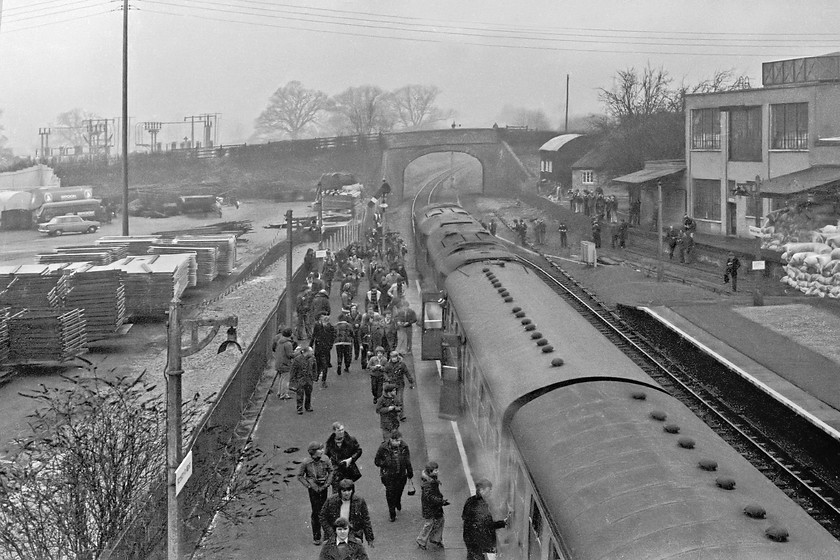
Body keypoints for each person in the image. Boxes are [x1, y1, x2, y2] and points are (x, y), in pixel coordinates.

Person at [298, 441, 335, 546]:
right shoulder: (306, 462)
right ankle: (316, 535)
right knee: (315, 511)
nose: (322, 451)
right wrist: (309, 485)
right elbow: (300, 476)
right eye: (320, 449)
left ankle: (327, 534)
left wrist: (328, 483)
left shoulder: (325, 459)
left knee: (325, 509)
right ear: (313, 452)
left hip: (323, 487)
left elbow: (331, 470)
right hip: (313, 489)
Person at [462, 478, 508, 560]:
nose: (490, 492)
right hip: (476, 540)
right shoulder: (481, 505)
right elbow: (486, 525)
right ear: (481, 490)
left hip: (468, 537)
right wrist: (502, 523)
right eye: (489, 490)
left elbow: (464, 516)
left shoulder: (470, 500)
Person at [374, 430, 414, 522]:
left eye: (400, 441)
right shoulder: (383, 447)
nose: (399, 443)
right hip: (388, 476)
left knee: (399, 491)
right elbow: (377, 461)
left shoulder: (404, 446)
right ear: (391, 440)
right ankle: (392, 512)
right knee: (390, 493)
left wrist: (410, 471)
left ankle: (397, 501)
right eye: (397, 441)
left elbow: (407, 460)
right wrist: (385, 463)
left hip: (401, 474)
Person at [320, 480, 375, 547]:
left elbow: (366, 520)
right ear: (340, 491)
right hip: (335, 534)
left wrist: (369, 538)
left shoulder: (359, 501)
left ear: (352, 491)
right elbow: (322, 516)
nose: (347, 493)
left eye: (349, 490)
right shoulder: (331, 501)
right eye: (344, 491)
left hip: (353, 535)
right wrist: (330, 531)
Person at [416, 461, 449, 550]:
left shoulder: (431, 479)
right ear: (430, 471)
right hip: (430, 507)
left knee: (440, 520)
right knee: (429, 523)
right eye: (435, 470)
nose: (437, 472)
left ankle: (435, 539)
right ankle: (421, 540)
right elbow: (430, 497)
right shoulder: (428, 483)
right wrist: (441, 501)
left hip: (434, 506)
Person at [325, 422, 363, 494]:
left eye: (342, 429)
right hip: (336, 471)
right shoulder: (330, 442)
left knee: (349, 492)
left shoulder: (351, 440)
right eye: (339, 430)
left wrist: (351, 459)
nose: (341, 432)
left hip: (348, 469)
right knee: (336, 493)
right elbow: (326, 456)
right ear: (334, 431)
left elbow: (358, 451)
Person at [383, 351, 414, 422]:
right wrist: (387, 378)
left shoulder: (402, 365)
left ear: (397, 357)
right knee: (392, 400)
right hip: (391, 386)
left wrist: (411, 381)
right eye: (392, 357)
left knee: (400, 399)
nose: (394, 359)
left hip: (400, 384)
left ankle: (401, 415)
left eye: (395, 357)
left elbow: (407, 373)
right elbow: (384, 372)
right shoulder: (388, 365)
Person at [311, 314, 336, 388]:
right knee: (324, 364)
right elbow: (333, 336)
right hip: (325, 349)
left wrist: (311, 345)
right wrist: (330, 345)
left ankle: (318, 376)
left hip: (320, 348)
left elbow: (314, 336)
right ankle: (322, 379)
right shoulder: (330, 328)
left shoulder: (318, 326)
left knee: (319, 363)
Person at [290, 346, 317, 414]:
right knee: (300, 394)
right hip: (300, 379)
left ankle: (308, 406)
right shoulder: (297, 360)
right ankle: (299, 408)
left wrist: (314, 376)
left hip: (309, 378)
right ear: (306, 352)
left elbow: (314, 367)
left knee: (308, 393)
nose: (312, 354)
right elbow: (293, 370)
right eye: (311, 352)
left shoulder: (312, 358)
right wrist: (292, 380)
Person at [271, 327, 296, 400]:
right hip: (285, 363)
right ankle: (284, 394)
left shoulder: (280, 341)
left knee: (281, 378)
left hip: (278, 362)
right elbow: (290, 355)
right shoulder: (288, 344)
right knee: (285, 379)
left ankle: (280, 392)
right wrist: (297, 353)